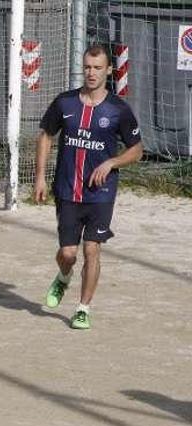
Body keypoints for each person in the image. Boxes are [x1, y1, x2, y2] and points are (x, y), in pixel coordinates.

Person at [34, 44, 143, 330]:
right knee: (68, 253)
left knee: (92, 249)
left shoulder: (118, 110)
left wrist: (111, 163)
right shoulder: (65, 103)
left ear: (109, 70)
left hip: (101, 193)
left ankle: (83, 308)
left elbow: (137, 151)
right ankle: (63, 276)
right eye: (87, 67)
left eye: (97, 68)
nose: (91, 73)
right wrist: (40, 177)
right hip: (67, 189)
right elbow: (45, 136)